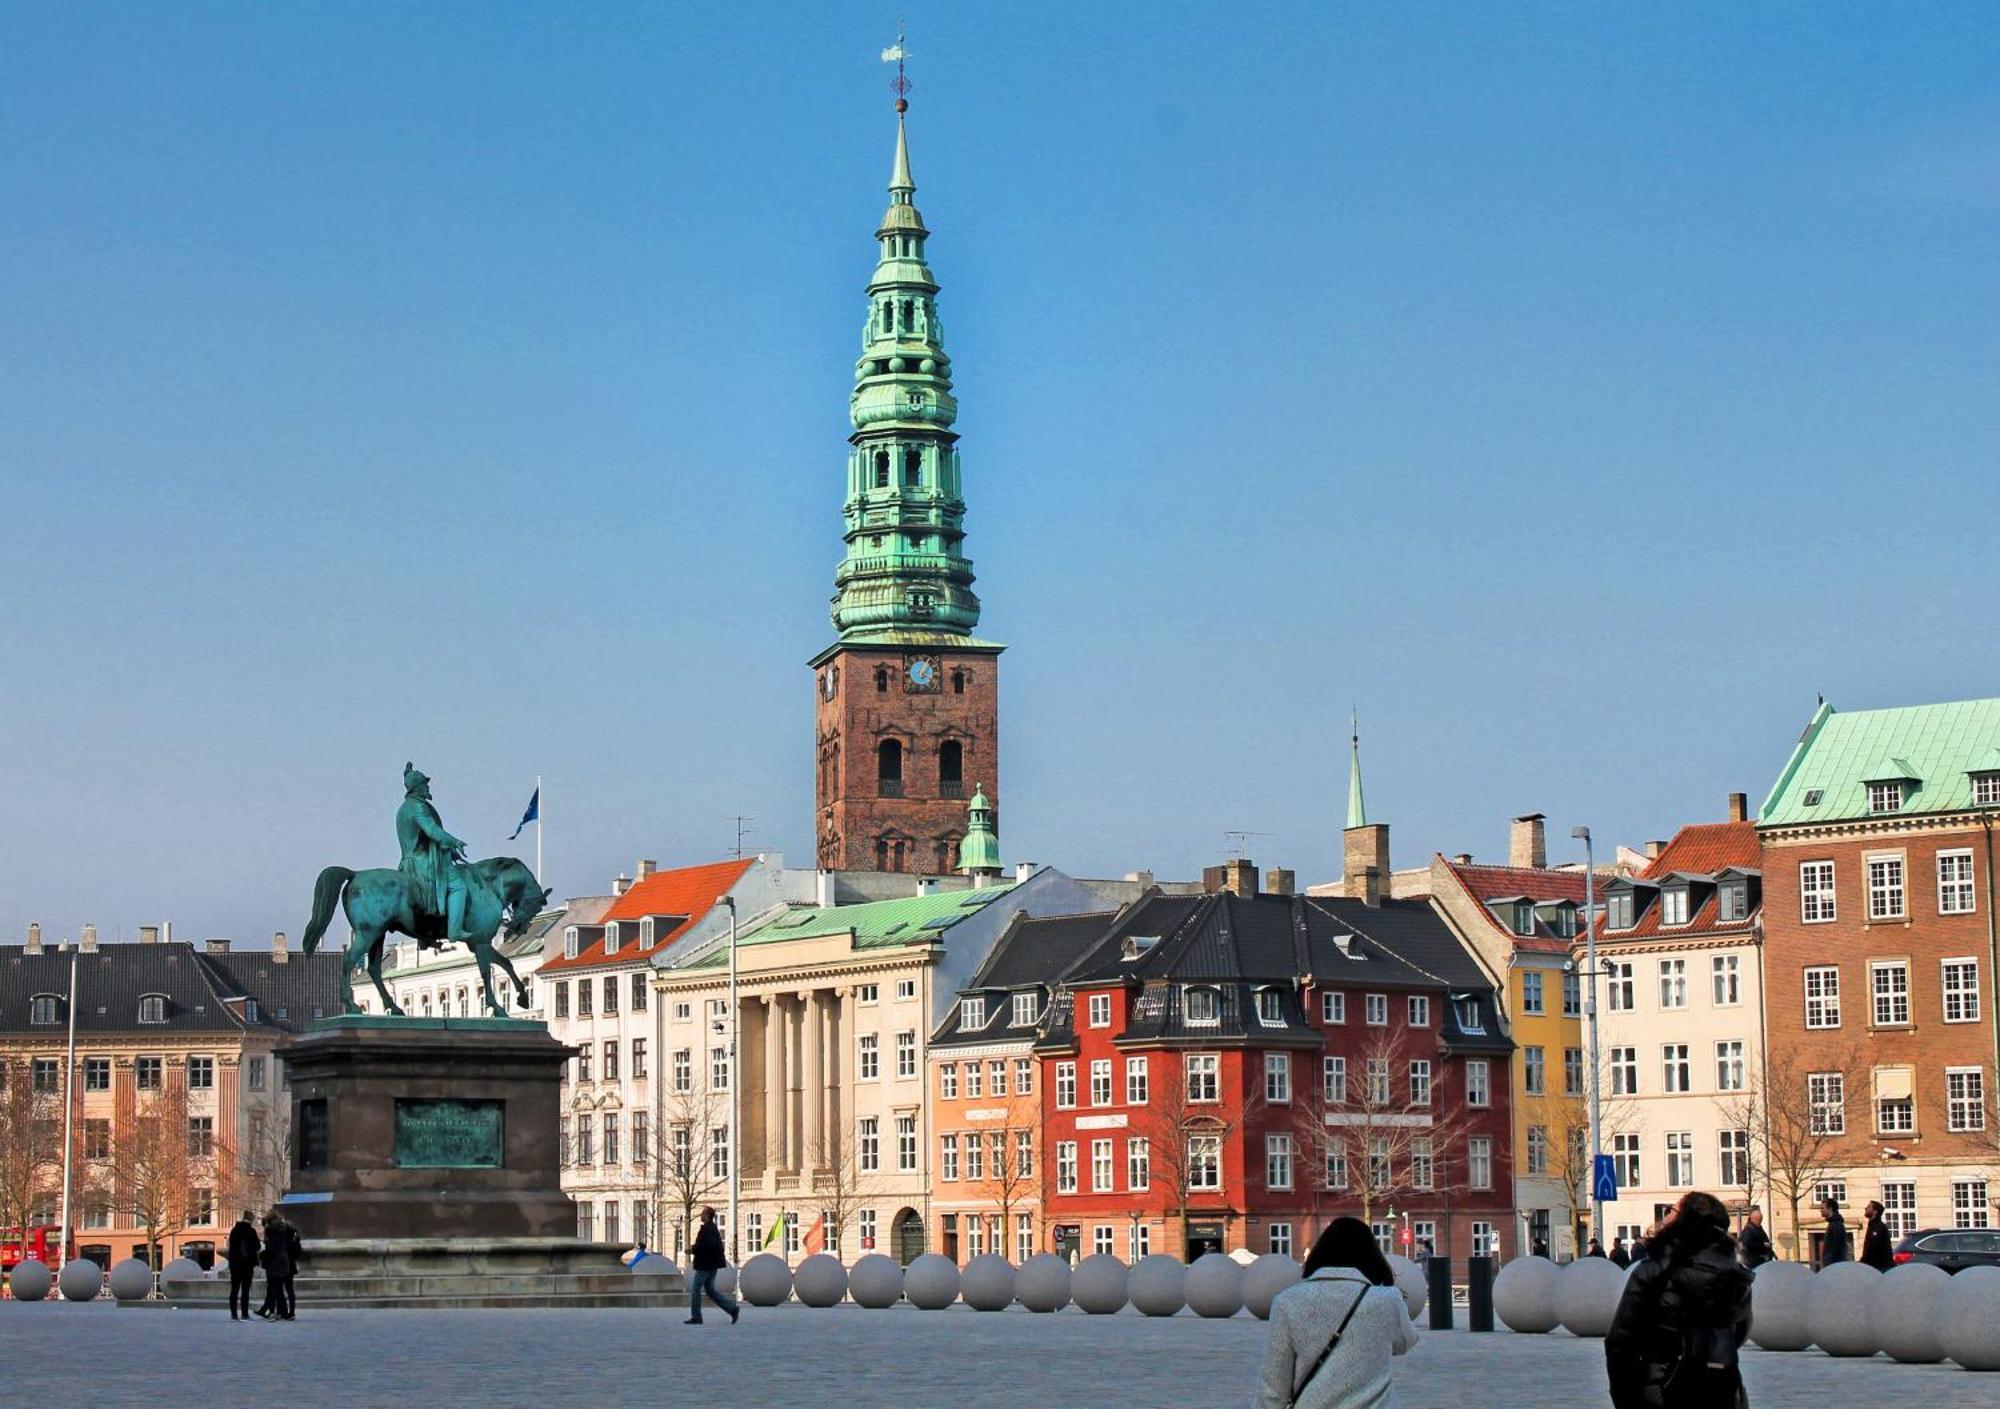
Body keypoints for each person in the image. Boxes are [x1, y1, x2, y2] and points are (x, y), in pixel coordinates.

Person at [1605, 1191, 1754, 1409]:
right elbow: (1739, 1331)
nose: (1664, 1217)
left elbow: (1620, 1340)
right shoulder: (1735, 1275)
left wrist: (1624, 1395)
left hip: (1659, 1385)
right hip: (1722, 1386)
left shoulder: (1655, 1270)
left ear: (1684, 1221)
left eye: (1671, 1211)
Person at [1253, 1217, 1418, 1409]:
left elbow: (1274, 1384)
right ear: (1372, 1257)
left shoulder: (1287, 1301)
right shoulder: (1387, 1300)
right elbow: (1406, 1341)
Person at [685, 1206, 739, 1325]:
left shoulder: (708, 1229)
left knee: (696, 1290)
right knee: (710, 1291)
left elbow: (707, 1246)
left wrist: (693, 1249)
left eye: (703, 1213)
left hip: (705, 1264)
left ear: (707, 1216)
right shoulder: (711, 1228)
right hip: (711, 1264)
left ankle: (696, 1316)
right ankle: (732, 1309)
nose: (701, 1214)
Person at [225, 1210, 261, 1321]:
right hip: (247, 1264)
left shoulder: (234, 1230)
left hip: (235, 1264)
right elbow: (258, 1246)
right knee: (245, 1290)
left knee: (234, 1289)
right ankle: (244, 1314)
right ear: (251, 1219)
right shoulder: (251, 1231)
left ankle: (233, 1314)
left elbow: (231, 1246)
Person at [255, 1213, 290, 1319]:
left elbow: (271, 1249)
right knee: (278, 1288)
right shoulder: (283, 1229)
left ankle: (272, 1311)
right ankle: (281, 1312)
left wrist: (262, 1254)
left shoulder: (271, 1231)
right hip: (282, 1262)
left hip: (273, 1263)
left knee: (272, 1288)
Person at [1859, 1200, 1893, 1271]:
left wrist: (1863, 1261)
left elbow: (1872, 1247)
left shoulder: (1878, 1227)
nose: (1866, 1208)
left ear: (1875, 1211)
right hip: (1876, 1266)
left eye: (1869, 1207)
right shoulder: (1872, 1226)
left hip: (1879, 1267)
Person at [1818, 1199, 1849, 1267]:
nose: (1820, 1210)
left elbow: (1837, 1248)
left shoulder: (1835, 1225)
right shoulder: (1834, 1224)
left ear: (1830, 1209)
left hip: (1833, 1266)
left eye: (1822, 1208)